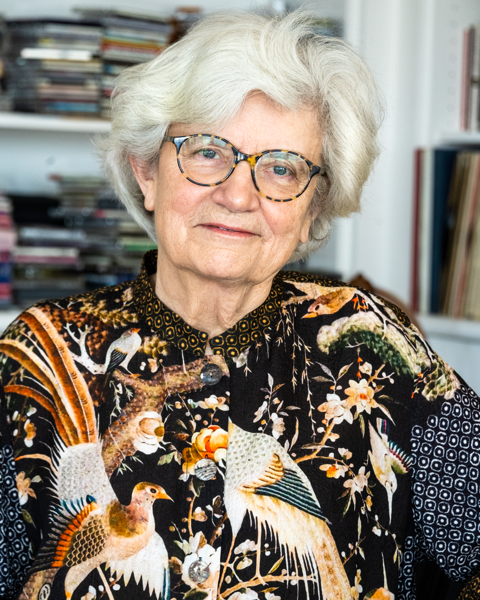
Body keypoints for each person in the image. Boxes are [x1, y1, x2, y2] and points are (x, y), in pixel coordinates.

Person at [0, 10, 478, 600]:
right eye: (206, 152)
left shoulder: (372, 341)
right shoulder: (38, 355)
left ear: (312, 211)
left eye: (281, 168)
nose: (237, 194)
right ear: (146, 172)